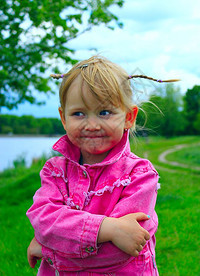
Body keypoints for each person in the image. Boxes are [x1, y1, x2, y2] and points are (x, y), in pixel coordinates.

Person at [26, 56, 179, 275]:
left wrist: (48, 250)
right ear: (63, 117)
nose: (92, 124)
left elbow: (122, 250)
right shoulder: (55, 172)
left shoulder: (140, 175)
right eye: (78, 113)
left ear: (129, 117)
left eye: (104, 112)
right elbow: (43, 220)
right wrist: (109, 228)